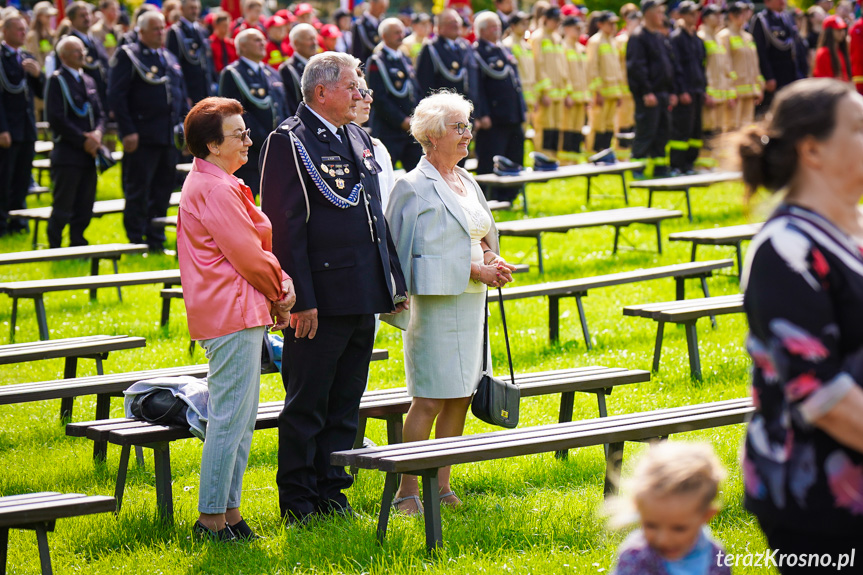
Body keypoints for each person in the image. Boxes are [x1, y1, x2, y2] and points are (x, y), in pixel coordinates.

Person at [259, 52, 408, 524]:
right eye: (352, 85)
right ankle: (299, 500)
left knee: (346, 401)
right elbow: (285, 227)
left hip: (363, 289)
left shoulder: (359, 136)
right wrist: (300, 299)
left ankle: (333, 491)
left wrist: (393, 279)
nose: (360, 94)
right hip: (320, 298)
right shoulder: (290, 140)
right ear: (321, 91)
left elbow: (373, 216)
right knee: (308, 403)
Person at [736, 78, 863, 573]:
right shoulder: (785, 249)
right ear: (813, 149)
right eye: (858, 127)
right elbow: (822, 396)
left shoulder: (851, 229)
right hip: (820, 506)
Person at [385, 91, 516, 516]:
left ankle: (441, 484)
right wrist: (472, 269)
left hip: (472, 305)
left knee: (460, 395)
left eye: (468, 125)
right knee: (429, 398)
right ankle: (407, 491)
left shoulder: (467, 179)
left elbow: (476, 235)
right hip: (435, 307)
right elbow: (399, 256)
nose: (468, 133)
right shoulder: (411, 186)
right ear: (433, 135)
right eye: (459, 126)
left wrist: (490, 258)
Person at [178, 96, 295, 542]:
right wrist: (282, 293)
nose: (249, 139)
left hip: (239, 308)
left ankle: (230, 512)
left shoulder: (219, 181)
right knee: (229, 418)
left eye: (247, 131)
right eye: (239, 134)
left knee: (241, 418)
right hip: (230, 311)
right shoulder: (215, 187)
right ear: (211, 145)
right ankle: (210, 519)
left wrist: (274, 294)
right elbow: (248, 255)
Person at [108, 10, 188, 253]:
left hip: (168, 136)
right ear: (140, 32)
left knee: (163, 189)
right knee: (138, 189)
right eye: (155, 29)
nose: (160, 32)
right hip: (142, 135)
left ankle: (155, 238)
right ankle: (135, 239)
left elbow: (180, 96)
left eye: (162, 28)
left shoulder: (168, 57)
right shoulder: (129, 56)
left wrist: (187, 132)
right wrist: (127, 131)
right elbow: (116, 95)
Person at [609, 442, 731, 575]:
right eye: (651, 525)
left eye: (679, 529)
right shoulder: (635, 558)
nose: (664, 539)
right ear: (638, 508)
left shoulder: (715, 557)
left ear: (706, 516)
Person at [45, 36, 105, 249]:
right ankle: (54, 244)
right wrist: (83, 140)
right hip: (69, 154)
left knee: (85, 204)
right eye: (75, 52)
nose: (82, 54)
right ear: (63, 56)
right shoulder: (57, 80)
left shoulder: (88, 80)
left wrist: (97, 134)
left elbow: (99, 114)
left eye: (82, 50)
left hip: (88, 154)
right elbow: (56, 118)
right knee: (64, 203)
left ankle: (78, 243)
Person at [218, 28, 287, 198]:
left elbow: (283, 108)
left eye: (263, 39)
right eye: (257, 40)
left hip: (275, 150)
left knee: (275, 203)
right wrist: (263, 139)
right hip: (249, 151)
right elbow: (235, 115)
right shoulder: (233, 73)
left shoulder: (272, 73)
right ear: (242, 47)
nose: (262, 43)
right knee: (246, 203)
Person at [472, 11, 525, 200]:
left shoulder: (504, 49)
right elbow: (476, 86)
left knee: (515, 155)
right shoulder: (477, 52)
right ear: (482, 30)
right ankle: (488, 198)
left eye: (498, 26)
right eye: (493, 26)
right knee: (491, 159)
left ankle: (509, 196)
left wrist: (522, 110)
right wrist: (481, 113)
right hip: (493, 117)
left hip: (512, 114)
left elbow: (515, 83)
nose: (498, 30)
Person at [0, 14, 44, 237]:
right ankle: (2, 224)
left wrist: (38, 75)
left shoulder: (26, 57)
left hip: (26, 128)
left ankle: (18, 222)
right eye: (17, 29)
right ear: (5, 31)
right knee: (3, 179)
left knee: (21, 178)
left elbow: (42, 93)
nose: (22, 33)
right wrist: (2, 128)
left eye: (24, 29)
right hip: (8, 129)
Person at [365, 18, 423, 172]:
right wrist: (401, 120)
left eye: (402, 32)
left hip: (410, 129)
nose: (401, 35)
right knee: (385, 176)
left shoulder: (403, 58)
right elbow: (378, 98)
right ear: (384, 36)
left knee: (418, 174)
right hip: (388, 131)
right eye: (396, 33)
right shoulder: (377, 61)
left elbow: (414, 89)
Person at [627, 0, 676, 178]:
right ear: (648, 13)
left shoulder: (659, 37)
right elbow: (636, 68)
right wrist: (646, 91)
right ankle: (637, 168)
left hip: (662, 95)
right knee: (646, 131)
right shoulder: (638, 37)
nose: (662, 17)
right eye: (659, 12)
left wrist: (671, 91)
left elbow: (668, 66)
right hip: (649, 96)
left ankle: (660, 168)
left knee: (662, 132)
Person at [669, 1, 706, 175]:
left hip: (697, 90)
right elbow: (676, 67)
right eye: (691, 13)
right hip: (685, 91)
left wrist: (704, 88)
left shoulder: (697, 39)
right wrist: (680, 90)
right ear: (682, 15)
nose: (695, 16)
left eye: (696, 13)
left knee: (695, 130)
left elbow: (701, 65)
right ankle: (676, 164)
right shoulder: (676, 38)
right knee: (681, 129)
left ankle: (689, 164)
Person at [752, 0, 804, 114]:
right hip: (776, 75)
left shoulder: (788, 17)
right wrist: (768, 76)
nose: (782, 1)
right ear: (767, 2)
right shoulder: (762, 20)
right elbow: (760, 52)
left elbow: (796, 46)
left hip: (792, 74)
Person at [416, 9, 478, 102]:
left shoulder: (466, 46)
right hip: (445, 109)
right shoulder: (432, 48)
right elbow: (425, 84)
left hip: (469, 108)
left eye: (457, 21)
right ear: (439, 27)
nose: (455, 25)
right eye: (451, 22)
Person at [717, 2, 762, 130]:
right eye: (741, 13)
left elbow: (755, 63)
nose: (744, 16)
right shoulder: (725, 36)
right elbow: (724, 64)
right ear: (731, 15)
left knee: (747, 128)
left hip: (749, 91)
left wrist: (758, 86)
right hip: (734, 92)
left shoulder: (748, 37)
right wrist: (730, 88)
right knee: (732, 128)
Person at [531, 7, 567, 158]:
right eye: (555, 20)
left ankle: (553, 158)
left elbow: (562, 64)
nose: (558, 23)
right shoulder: (538, 38)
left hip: (558, 92)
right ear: (545, 19)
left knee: (556, 127)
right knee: (544, 127)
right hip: (547, 93)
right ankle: (543, 158)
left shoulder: (557, 38)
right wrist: (544, 91)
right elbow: (538, 65)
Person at [355, 72, 395, 208]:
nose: (368, 99)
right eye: (361, 93)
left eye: (368, 92)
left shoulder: (377, 147)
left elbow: (389, 204)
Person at [586, 11, 625, 153]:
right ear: (600, 24)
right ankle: (594, 153)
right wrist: (597, 92)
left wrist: (619, 92)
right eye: (610, 23)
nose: (613, 26)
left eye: (614, 23)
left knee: (610, 126)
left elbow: (618, 69)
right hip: (602, 93)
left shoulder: (613, 42)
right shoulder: (595, 42)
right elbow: (592, 68)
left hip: (613, 92)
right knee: (598, 125)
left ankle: (606, 152)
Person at [61, 2, 109, 110]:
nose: (87, 18)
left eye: (88, 14)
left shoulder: (96, 41)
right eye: (82, 16)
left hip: (102, 102)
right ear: (72, 20)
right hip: (82, 102)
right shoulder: (67, 43)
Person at [167, 0, 214, 106]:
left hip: (205, 88)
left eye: (197, 8)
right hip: (189, 90)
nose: (195, 11)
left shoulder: (202, 31)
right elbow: (174, 65)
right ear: (182, 9)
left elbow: (207, 60)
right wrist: (183, 94)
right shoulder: (176, 32)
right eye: (191, 8)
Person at [559, 15, 589, 163]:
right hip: (570, 97)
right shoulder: (563, 47)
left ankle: (575, 160)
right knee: (567, 130)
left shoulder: (581, 48)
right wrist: (567, 93)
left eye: (581, 28)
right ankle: (565, 162)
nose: (579, 31)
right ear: (566, 29)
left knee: (577, 130)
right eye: (576, 28)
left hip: (582, 97)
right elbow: (563, 72)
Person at [615, 9, 641, 145]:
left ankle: (631, 153)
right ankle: (621, 154)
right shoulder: (620, 41)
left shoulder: (640, 40)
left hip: (636, 90)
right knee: (623, 123)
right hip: (623, 89)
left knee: (634, 123)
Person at [279, 23, 316, 117]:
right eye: (309, 39)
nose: (314, 42)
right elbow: (291, 104)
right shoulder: (288, 69)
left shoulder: (318, 65)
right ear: (296, 43)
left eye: (314, 38)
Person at [813, 15, 852, 81]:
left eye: (843, 29)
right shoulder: (823, 53)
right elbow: (825, 80)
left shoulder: (840, 51)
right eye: (838, 30)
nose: (842, 33)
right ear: (829, 31)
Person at [351, 0, 388, 66]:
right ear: (372, 4)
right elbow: (357, 52)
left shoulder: (383, 22)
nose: (383, 11)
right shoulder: (360, 24)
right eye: (381, 7)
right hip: (366, 66)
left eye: (385, 8)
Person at [25, 1, 57, 69]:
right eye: (47, 16)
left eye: (51, 16)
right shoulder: (33, 35)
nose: (50, 19)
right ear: (39, 16)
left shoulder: (52, 34)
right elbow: (35, 55)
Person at [209, 10, 238, 77]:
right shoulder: (210, 43)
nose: (227, 29)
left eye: (228, 25)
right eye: (224, 26)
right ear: (216, 26)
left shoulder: (231, 44)